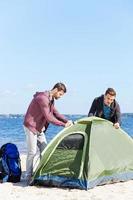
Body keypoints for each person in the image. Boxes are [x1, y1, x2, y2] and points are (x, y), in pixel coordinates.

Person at [23, 82, 73, 184]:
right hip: (31, 126)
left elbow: (56, 113)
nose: (60, 96)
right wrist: (63, 125)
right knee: (32, 152)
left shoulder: (51, 100)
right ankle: (28, 177)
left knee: (45, 151)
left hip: (39, 128)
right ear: (56, 90)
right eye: (60, 94)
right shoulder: (43, 98)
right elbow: (49, 118)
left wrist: (67, 121)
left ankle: (42, 173)